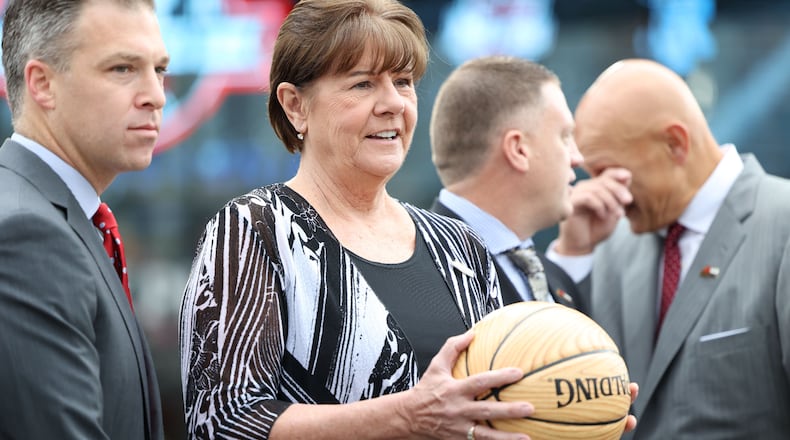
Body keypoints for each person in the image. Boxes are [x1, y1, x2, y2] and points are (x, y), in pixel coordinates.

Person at [178, 1, 538, 439]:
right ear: (295, 106)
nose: (392, 103)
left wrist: (580, 406)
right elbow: (224, 422)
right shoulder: (254, 231)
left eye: (403, 82)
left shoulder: (459, 245)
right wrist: (407, 416)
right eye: (363, 84)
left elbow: (499, 398)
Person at [554, 58, 790, 439]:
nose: (599, 190)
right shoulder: (610, 244)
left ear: (675, 143)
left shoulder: (783, 225)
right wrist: (572, 252)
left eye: (609, 170)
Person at [0, 0, 169, 439]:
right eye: (123, 69)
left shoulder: (48, 215)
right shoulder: (26, 235)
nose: (157, 95)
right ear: (42, 84)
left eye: (160, 69)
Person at [429, 55, 632, 313]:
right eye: (565, 136)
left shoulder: (550, 275)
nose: (577, 158)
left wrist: (574, 253)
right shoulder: (422, 275)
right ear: (519, 150)